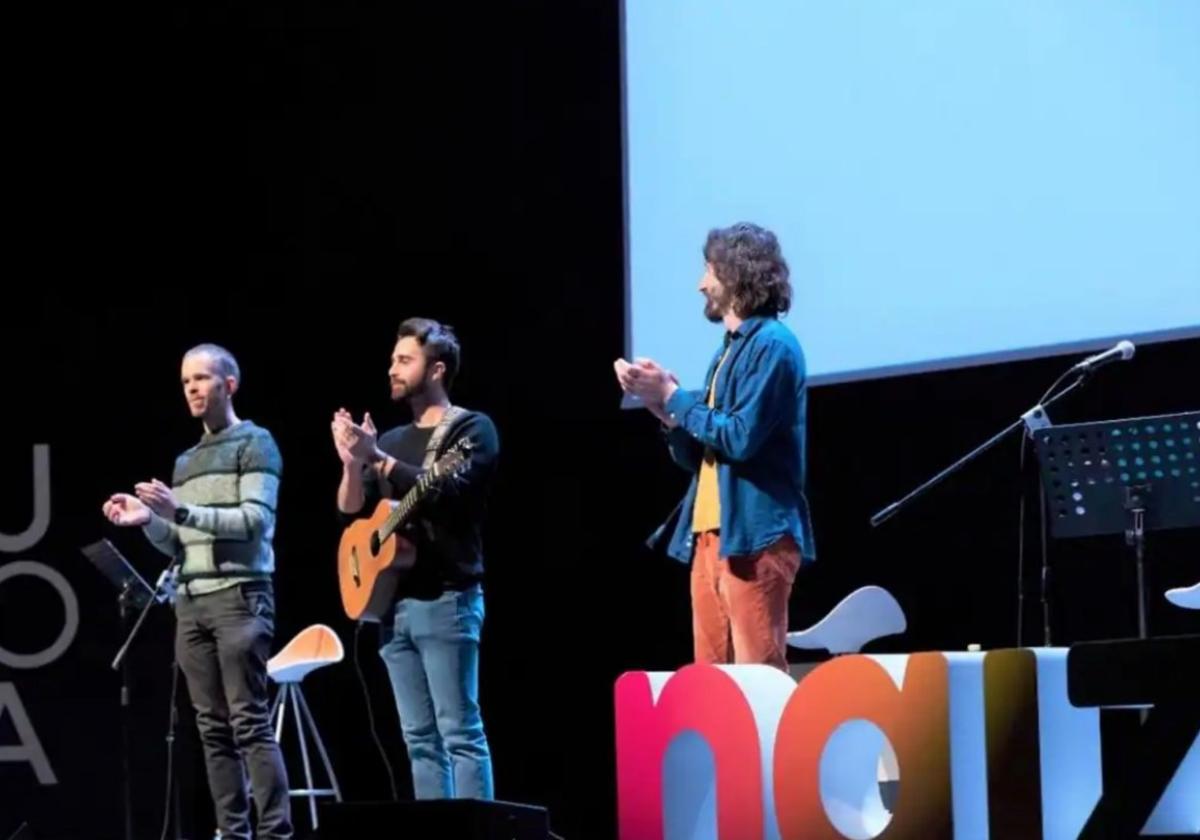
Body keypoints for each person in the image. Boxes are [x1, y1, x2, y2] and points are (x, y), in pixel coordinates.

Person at [102, 343, 292, 840]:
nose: (192, 388)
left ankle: (275, 833)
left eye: (202, 379)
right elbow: (179, 540)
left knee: (248, 722)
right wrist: (149, 521)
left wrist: (178, 511)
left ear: (229, 384)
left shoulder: (256, 443)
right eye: (186, 380)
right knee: (211, 729)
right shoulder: (186, 461)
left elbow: (253, 522)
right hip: (192, 601)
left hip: (240, 597)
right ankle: (232, 833)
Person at [617, 222, 816, 671]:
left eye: (709, 270)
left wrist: (673, 395)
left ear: (736, 273)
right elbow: (700, 454)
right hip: (711, 537)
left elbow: (740, 437)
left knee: (757, 686)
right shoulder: (728, 350)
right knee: (713, 692)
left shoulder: (774, 346)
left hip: (756, 535)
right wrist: (662, 408)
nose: (701, 284)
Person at [333, 317, 497, 799]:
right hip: (392, 605)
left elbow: (451, 492)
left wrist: (378, 460)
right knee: (419, 740)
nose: (392, 369)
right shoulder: (391, 438)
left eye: (404, 360)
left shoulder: (471, 428)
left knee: (460, 733)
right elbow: (352, 512)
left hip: (447, 599)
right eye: (392, 360)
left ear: (437, 369)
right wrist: (352, 464)